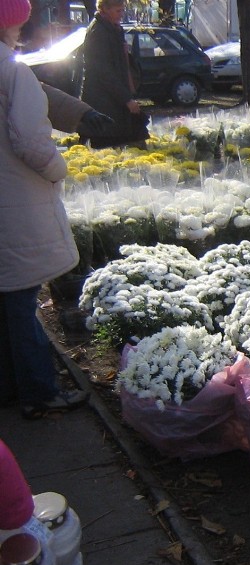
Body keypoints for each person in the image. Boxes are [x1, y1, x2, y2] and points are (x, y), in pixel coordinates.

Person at [0, 0, 91, 419]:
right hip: (15, 201)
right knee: (21, 303)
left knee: (8, 302)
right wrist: (58, 169)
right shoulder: (13, 70)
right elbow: (32, 141)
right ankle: (40, 391)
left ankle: (13, 386)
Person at [79, 0, 149, 149]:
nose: (121, 15)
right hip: (104, 104)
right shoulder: (98, 32)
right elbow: (103, 72)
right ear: (104, 9)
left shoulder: (114, 29)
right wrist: (126, 99)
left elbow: (121, 65)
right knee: (113, 151)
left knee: (135, 146)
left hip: (116, 103)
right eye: (118, 11)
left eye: (122, 10)